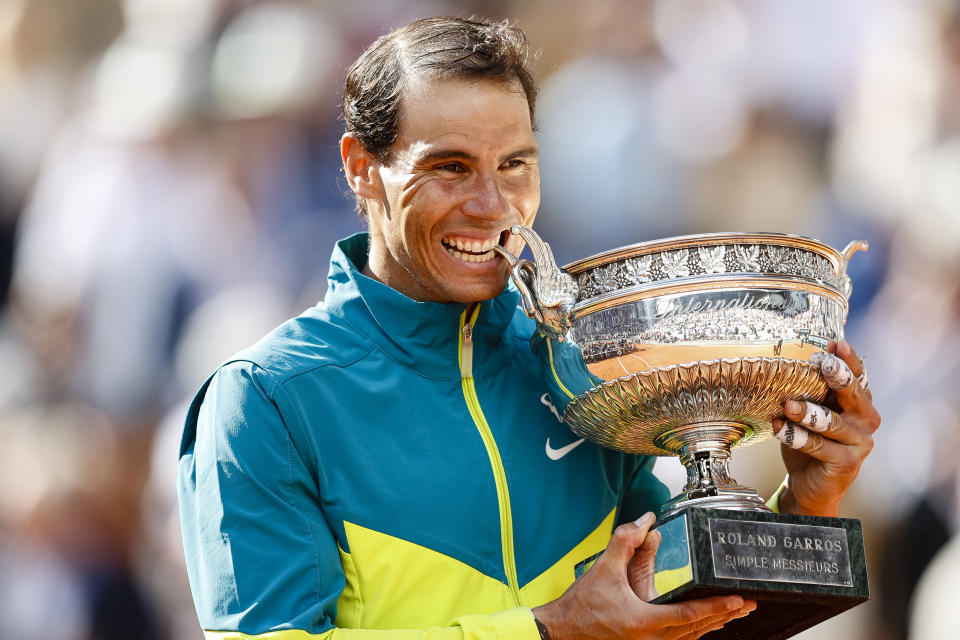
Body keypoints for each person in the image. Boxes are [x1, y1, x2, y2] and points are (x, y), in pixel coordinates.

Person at [177, 16, 881, 640]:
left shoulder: (576, 363)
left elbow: (678, 621)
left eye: (515, 165)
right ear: (363, 168)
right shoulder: (265, 402)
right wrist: (546, 633)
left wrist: (804, 508)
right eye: (449, 168)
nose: (492, 205)